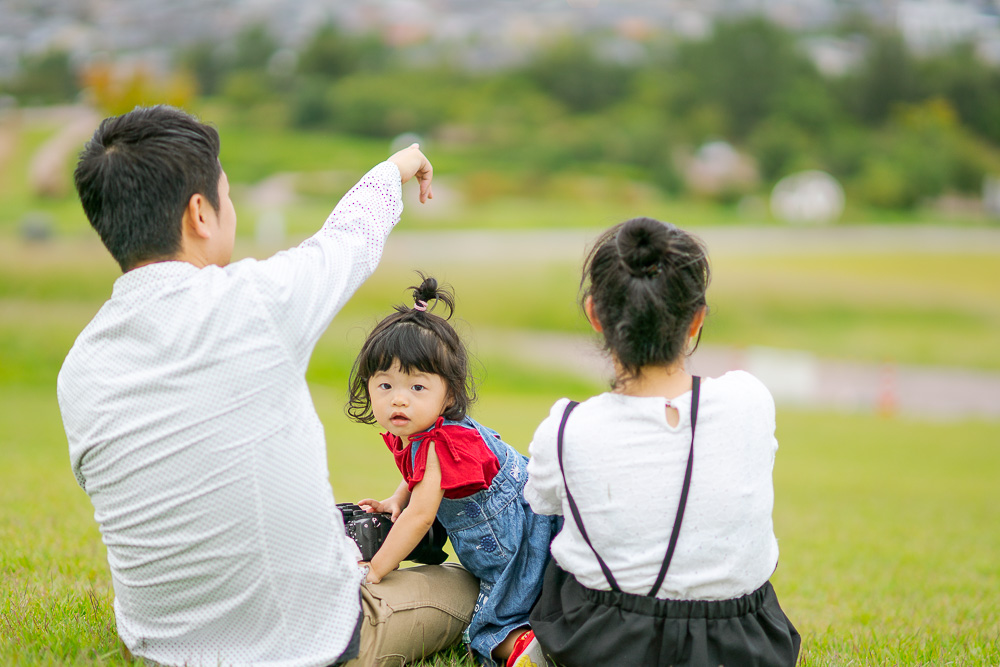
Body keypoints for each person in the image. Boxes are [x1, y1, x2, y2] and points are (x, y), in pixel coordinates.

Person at [57, 105, 478, 667]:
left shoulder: (79, 365)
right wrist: (396, 166)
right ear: (200, 213)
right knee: (478, 583)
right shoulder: (254, 302)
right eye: (227, 197)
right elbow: (349, 237)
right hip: (303, 644)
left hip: (158, 647)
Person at [523, 217, 801, 666]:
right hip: (746, 644)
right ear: (696, 320)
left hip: (608, 643)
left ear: (595, 313)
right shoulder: (750, 398)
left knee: (553, 510)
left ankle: (512, 638)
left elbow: (541, 504)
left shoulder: (567, 425)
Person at [346, 275, 559, 667]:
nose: (398, 399)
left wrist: (376, 570)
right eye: (385, 385)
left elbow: (421, 516)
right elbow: (419, 476)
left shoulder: (442, 444)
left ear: (449, 392)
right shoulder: (426, 433)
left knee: (489, 622)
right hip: (532, 515)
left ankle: (521, 649)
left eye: (417, 388)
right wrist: (397, 497)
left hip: (512, 541)